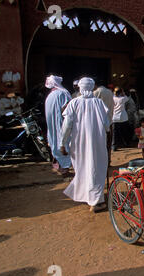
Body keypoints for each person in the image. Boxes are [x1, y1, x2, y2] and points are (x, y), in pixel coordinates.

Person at [60, 77, 111, 213]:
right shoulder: (99, 103)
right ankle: (96, 199)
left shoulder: (74, 103)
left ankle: (94, 200)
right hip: (97, 141)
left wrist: (62, 142)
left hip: (79, 142)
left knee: (84, 167)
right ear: (92, 87)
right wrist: (105, 132)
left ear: (80, 88)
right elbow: (107, 125)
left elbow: (66, 126)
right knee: (96, 167)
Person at [44, 75, 72, 175]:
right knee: (64, 142)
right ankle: (65, 167)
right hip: (62, 123)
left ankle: (59, 164)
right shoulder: (62, 93)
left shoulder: (50, 96)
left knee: (55, 141)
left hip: (52, 125)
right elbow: (66, 108)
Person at [94, 78, 115, 165]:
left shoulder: (95, 93)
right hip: (109, 121)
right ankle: (108, 161)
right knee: (108, 143)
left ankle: (100, 162)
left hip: (98, 123)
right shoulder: (109, 92)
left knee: (99, 144)